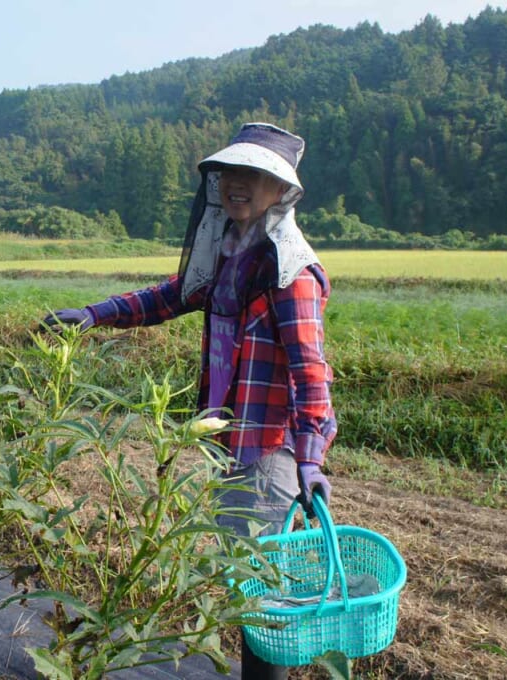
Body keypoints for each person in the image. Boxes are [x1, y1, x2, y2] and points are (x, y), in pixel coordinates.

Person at [41, 122, 337, 679]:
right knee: (243, 582)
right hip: (228, 441)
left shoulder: (291, 273)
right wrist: (95, 314)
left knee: (261, 594)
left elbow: (310, 374)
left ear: (281, 190)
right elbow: (173, 296)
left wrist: (312, 455)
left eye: (255, 174)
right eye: (229, 173)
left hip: (268, 453)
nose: (237, 184)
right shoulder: (231, 254)